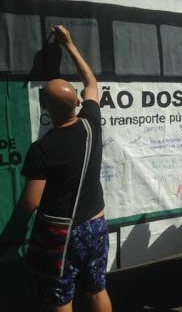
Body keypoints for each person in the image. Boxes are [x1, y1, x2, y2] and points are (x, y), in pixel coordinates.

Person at [20, 25, 112, 312]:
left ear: (45, 108)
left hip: (61, 235)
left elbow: (31, 202)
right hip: (96, 225)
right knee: (97, 290)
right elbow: (92, 83)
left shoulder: (42, 149)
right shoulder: (91, 124)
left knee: (61, 298)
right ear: (77, 102)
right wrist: (70, 45)